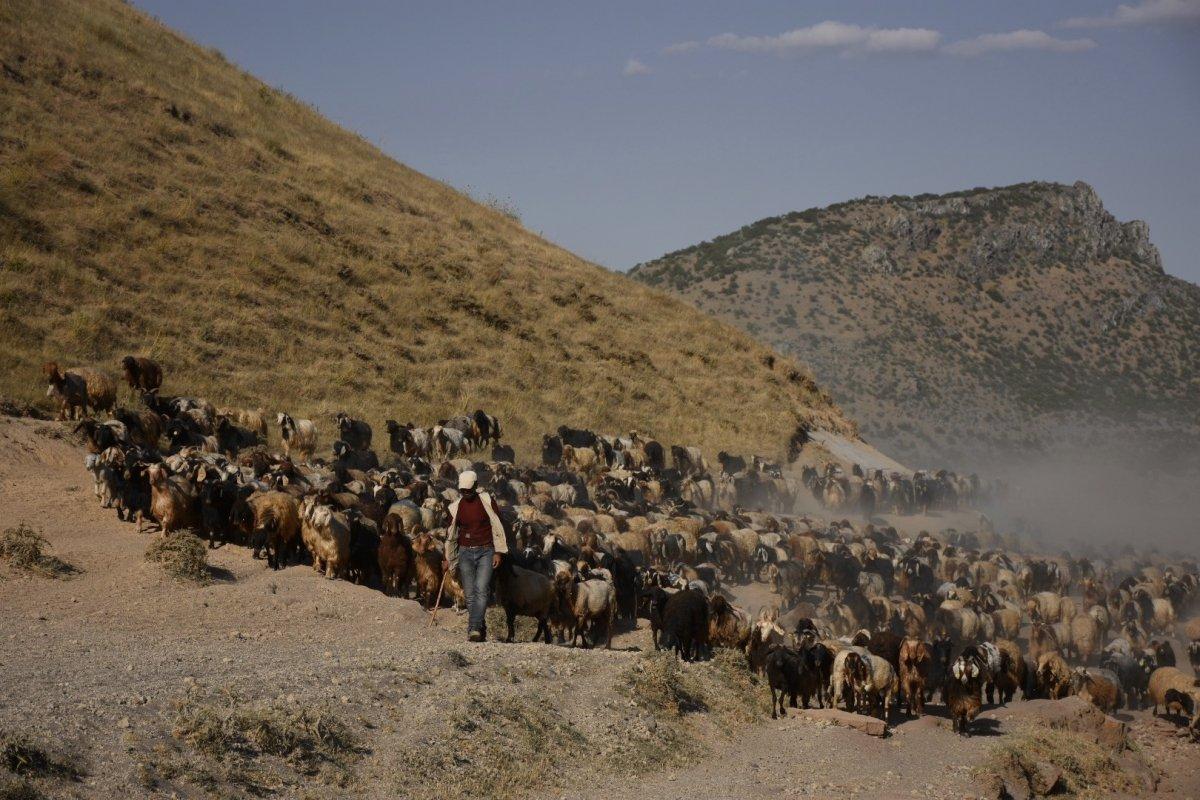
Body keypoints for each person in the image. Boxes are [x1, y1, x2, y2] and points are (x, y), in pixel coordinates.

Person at [442, 470, 507, 642]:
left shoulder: (486, 502)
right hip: (465, 552)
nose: (466, 493)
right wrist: (447, 558)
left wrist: (499, 552)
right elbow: (450, 535)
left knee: (481, 588)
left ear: (476, 486)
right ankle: (478, 625)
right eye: (463, 491)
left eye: (469, 490)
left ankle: (474, 627)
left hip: (486, 551)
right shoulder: (455, 507)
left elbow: (498, 526)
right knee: (469, 592)